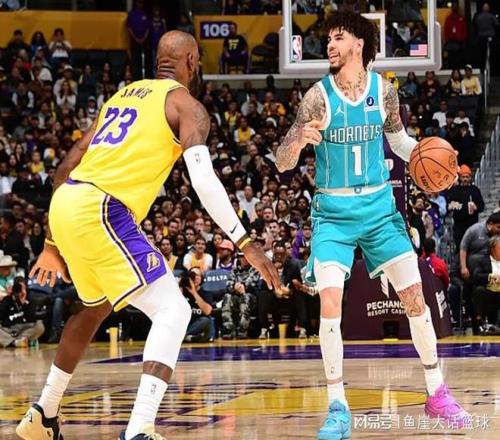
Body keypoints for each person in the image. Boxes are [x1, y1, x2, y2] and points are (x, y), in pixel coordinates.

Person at [16, 30, 281, 440]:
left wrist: (52, 244)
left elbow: (64, 169)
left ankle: (44, 414)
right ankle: (139, 429)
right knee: (173, 310)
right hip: (102, 206)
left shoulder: (122, 97)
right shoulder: (186, 106)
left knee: (94, 309)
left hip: (68, 202)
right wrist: (245, 243)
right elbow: (203, 181)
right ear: (192, 61)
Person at [275, 11, 468, 439]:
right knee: (329, 303)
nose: (329, 45)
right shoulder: (317, 98)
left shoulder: (384, 92)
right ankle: (337, 407)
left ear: (359, 44)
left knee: (415, 298)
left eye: (338, 37)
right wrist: (298, 139)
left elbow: (399, 142)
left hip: (380, 210)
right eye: (328, 39)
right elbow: (282, 161)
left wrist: (437, 158)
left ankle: (437, 393)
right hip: (333, 213)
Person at [0, 275, 45, 348]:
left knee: (40, 326)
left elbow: (32, 319)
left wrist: (23, 302)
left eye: (22, 288)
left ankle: (12, 342)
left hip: (25, 329)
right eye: (18, 288)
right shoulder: (7, 299)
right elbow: (1, 316)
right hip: (8, 329)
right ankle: (15, 342)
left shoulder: (30, 299)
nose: (20, 290)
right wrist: (8, 298)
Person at [472, 235, 500, 333]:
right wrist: (490, 276)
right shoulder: (483, 260)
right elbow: (476, 276)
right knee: (479, 291)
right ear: (492, 249)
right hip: (489, 291)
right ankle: (480, 323)